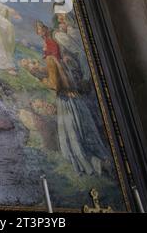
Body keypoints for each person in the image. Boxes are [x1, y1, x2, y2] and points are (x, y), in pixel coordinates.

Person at [35, 20, 109, 176]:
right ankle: (98, 161)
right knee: (83, 129)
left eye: (40, 29)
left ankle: (90, 163)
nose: (39, 33)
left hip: (66, 99)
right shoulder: (59, 59)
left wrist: (39, 77)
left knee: (73, 133)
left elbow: (54, 83)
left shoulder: (52, 57)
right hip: (73, 95)